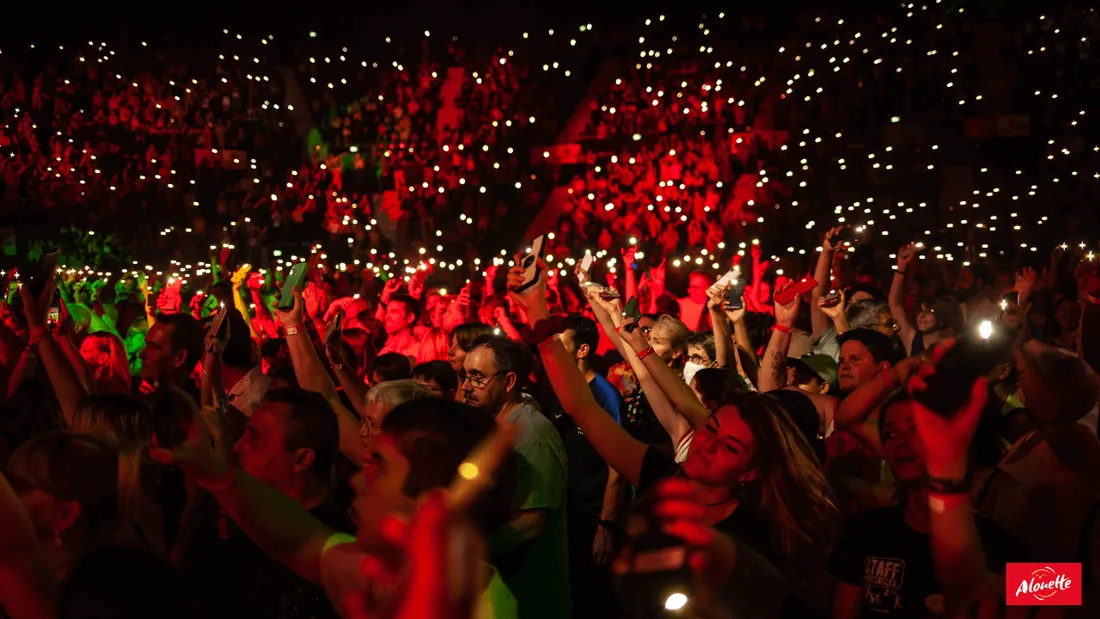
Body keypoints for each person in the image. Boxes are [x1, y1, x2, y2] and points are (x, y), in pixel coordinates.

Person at [508, 259, 839, 608]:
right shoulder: (661, 476)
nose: (709, 444)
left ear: (750, 470)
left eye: (731, 447)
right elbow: (581, 407)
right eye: (711, 427)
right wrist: (537, 313)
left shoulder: (758, 536)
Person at [152, 397, 520, 619]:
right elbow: (301, 541)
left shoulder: (478, 605)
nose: (359, 480)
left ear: (433, 496)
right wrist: (217, 475)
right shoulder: (388, 572)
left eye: (381, 466)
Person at [180, 387, 351, 619]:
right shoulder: (244, 519)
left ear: (302, 459)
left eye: (255, 437)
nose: (239, 446)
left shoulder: (337, 560)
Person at [461, 334, 571, 619]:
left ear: (509, 382)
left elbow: (529, 522)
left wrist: (468, 556)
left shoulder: (531, 435)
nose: (465, 387)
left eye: (477, 377)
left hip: (528, 596)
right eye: (464, 376)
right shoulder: (495, 425)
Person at [556, 313, 626, 619]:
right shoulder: (560, 388)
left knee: (595, 599)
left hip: (593, 513)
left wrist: (605, 526)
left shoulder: (605, 396)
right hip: (567, 510)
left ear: (582, 350)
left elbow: (618, 466)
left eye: (560, 345)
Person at [137, 312, 204, 397]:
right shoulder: (136, 393)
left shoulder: (189, 408)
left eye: (153, 347)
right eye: (146, 345)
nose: (141, 354)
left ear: (180, 357)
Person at [378, 293, 422, 362]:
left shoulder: (416, 351)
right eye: (386, 312)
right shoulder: (386, 348)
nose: (387, 317)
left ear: (410, 318)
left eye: (394, 312)